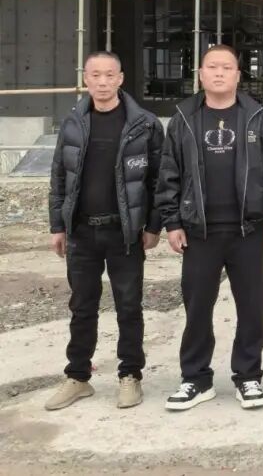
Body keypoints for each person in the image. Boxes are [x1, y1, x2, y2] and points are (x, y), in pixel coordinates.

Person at [155, 44, 263, 411]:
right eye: (212, 67)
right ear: (200, 74)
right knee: (197, 307)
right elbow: (168, 174)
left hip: (247, 230)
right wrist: (172, 221)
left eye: (226, 67)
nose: (219, 73)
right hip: (199, 231)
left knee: (251, 307)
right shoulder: (183, 118)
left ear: (237, 75)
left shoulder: (259, 117)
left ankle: (248, 376)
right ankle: (196, 378)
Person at [44, 51, 164, 411]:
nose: (102, 82)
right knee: (82, 306)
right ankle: (78, 376)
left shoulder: (144, 124)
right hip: (82, 232)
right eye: (95, 75)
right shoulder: (73, 123)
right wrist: (57, 225)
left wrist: (153, 225)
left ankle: (130, 375)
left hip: (124, 233)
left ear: (120, 79)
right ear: (86, 78)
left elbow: (159, 180)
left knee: (129, 306)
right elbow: (59, 177)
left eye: (109, 75)